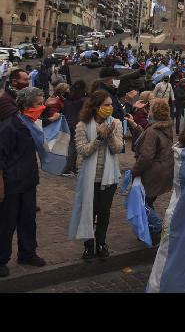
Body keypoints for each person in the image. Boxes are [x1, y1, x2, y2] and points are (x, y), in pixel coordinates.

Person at [0, 88, 49, 277]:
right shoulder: (9, 126)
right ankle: (1, 259)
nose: (42, 106)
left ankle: (27, 253)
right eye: (38, 103)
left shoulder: (31, 124)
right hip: (11, 182)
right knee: (6, 223)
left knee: (28, 220)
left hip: (28, 180)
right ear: (26, 106)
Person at [71, 90, 124, 259]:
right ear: (95, 107)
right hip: (89, 176)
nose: (110, 108)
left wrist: (108, 136)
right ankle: (88, 244)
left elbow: (118, 148)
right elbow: (82, 150)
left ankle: (101, 242)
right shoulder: (82, 125)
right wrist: (99, 138)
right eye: (106, 105)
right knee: (89, 210)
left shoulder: (116, 123)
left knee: (104, 211)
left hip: (109, 177)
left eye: (111, 105)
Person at [129, 98, 174, 244]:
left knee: (142, 203)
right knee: (148, 200)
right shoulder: (165, 127)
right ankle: (148, 230)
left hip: (153, 173)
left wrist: (134, 171)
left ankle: (159, 229)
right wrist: (135, 126)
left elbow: (146, 157)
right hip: (164, 170)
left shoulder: (153, 131)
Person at [62, 80, 88, 177]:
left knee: (72, 147)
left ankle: (71, 167)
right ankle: (68, 168)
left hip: (68, 123)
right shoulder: (83, 100)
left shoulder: (67, 99)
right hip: (77, 124)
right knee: (73, 147)